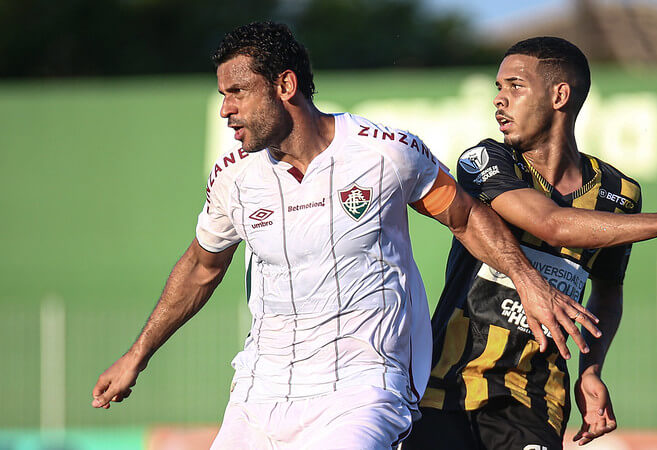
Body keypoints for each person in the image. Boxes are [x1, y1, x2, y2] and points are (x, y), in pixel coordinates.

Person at [90, 23, 613, 450]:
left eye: (237, 93)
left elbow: (466, 217)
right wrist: (137, 355)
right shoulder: (234, 176)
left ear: (285, 86)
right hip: (258, 394)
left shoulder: (384, 153)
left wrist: (526, 280)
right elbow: (202, 266)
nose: (226, 108)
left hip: (361, 392)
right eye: (223, 95)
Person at [403, 37, 657, 450]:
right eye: (498, 88)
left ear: (560, 95)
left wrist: (591, 369)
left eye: (514, 86)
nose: (499, 100)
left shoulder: (620, 194)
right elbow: (551, 225)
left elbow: (608, 289)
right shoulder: (485, 160)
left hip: (536, 402)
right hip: (447, 386)